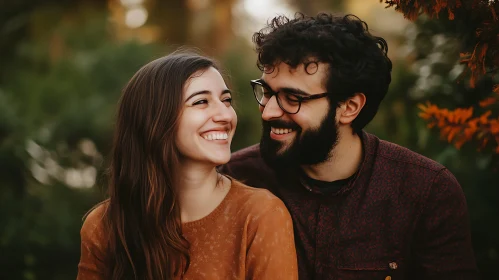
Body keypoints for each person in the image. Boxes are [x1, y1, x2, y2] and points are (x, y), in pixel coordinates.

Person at [219, 13, 479, 279]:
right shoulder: (233, 178)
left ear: (349, 108)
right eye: (267, 91)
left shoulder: (425, 192)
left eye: (293, 98)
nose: (268, 112)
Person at [76, 51, 298, 280]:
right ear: (155, 120)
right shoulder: (105, 226)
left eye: (226, 100)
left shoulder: (259, 215)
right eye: (201, 102)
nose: (225, 115)